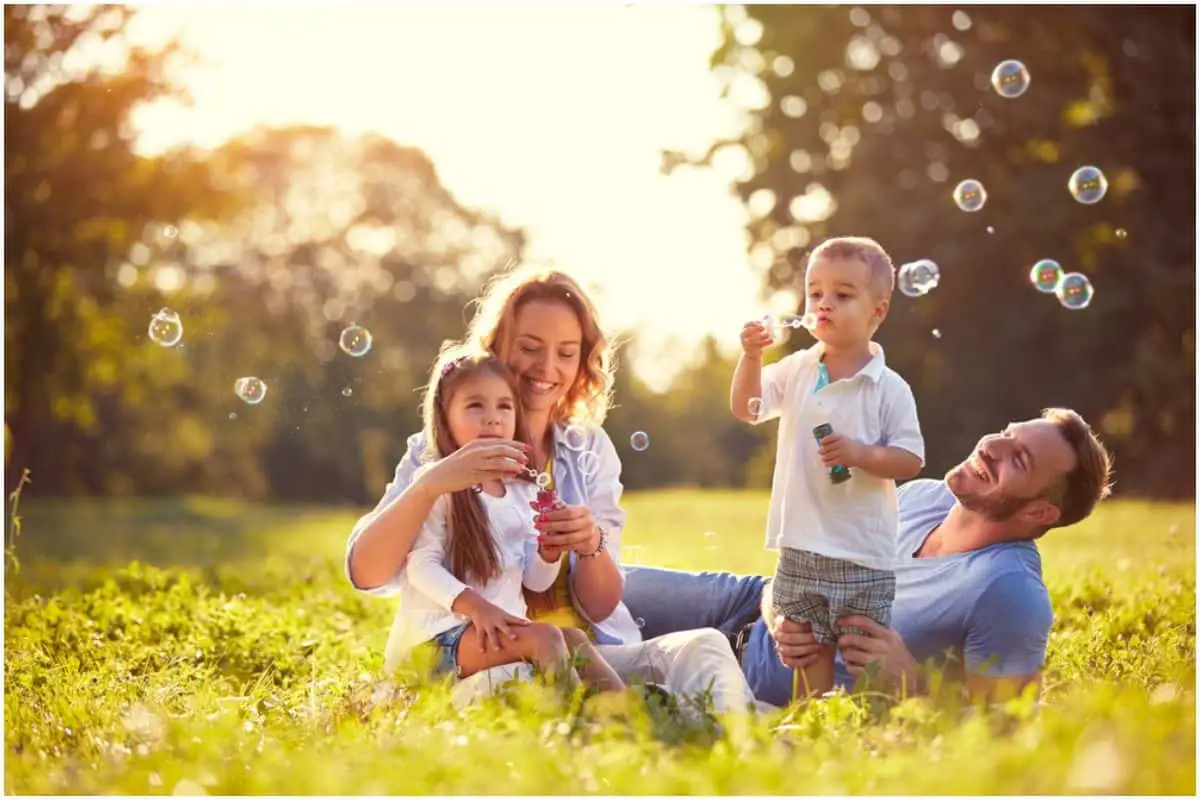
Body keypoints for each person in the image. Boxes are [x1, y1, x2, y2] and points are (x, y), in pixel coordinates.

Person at [346, 265, 757, 713]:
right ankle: (626, 724)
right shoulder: (440, 450)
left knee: (703, 647)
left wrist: (587, 544)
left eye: (566, 353)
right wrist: (429, 484)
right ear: (496, 347)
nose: (547, 368)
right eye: (529, 348)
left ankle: (746, 739)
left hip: (583, 650)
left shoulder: (588, 450)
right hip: (484, 657)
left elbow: (598, 606)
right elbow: (367, 574)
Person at [620, 408, 1114, 707]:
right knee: (592, 584)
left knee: (587, 666)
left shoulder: (1010, 591)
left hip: (755, 677)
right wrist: (778, 605)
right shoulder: (924, 496)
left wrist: (914, 685)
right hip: (747, 602)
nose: (991, 447)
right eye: (1007, 433)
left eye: (1019, 458)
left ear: (1040, 511)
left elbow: (1005, 729)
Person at [731, 236, 924, 698]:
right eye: (815, 293)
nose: (823, 303)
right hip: (801, 542)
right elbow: (748, 407)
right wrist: (752, 357)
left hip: (861, 549)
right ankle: (814, 722)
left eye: (842, 294)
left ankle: (877, 725)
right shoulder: (798, 369)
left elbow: (911, 458)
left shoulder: (887, 388)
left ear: (877, 312)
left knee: (864, 651)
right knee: (806, 648)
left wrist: (860, 454)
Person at [398, 349, 624, 692]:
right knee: (546, 636)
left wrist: (549, 551)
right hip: (437, 641)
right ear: (445, 417)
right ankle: (572, 726)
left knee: (575, 638)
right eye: (476, 406)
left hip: (497, 633)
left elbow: (535, 582)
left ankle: (628, 717)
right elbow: (419, 566)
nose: (493, 418)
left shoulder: (522, 492)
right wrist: (478, 608)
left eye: (504, 406)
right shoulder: (439, 484)